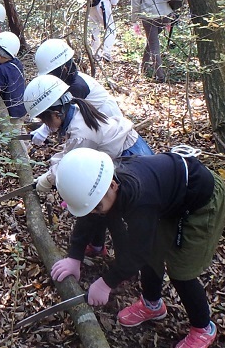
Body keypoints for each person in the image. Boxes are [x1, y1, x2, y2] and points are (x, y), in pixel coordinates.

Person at [50, 147, 225, 348]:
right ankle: (153, 304)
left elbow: (137, 251)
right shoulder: (106, 188)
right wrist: (74, 256)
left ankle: (203, 328)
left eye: (98, 207)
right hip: (171, 201)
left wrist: (107, 282)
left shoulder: (140, 198)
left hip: (201, 202)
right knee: (153, 254)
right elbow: (89, 216)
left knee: (181, 271)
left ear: (113, 185)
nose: (96, 212)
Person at [24, 75, 153, 258]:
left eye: (45, 121)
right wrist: (49, 174)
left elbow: (70, 162)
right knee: (97, 201)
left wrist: (49, 179)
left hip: (132, 160)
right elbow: (68, 152)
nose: (47, 126)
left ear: (56, 113)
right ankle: (97, 245)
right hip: (122, 155)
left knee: (113, 210)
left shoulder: (81, 132)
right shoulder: (75, 113)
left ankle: (128, 263)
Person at [31, 38, 123, 146]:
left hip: (106, 119)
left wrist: (43, 131)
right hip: (92, 122)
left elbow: (62, 112)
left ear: (64, 69)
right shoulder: (68, 81)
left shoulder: (77, 87)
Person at [130, 0, 174, 83]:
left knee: (154, 44)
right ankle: (143, 67)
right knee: (152, 41)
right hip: (165, 14)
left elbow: (135, 1)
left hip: (148, 15)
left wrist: (134, 19)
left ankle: (160, 76)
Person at [0, 31, 26, 122]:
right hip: (22, 107)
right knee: (20, 124)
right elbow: (7, 71)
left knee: (14, 131)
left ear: (0, 54)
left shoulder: (2, 70)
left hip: (12, 111)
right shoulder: (16, 63)